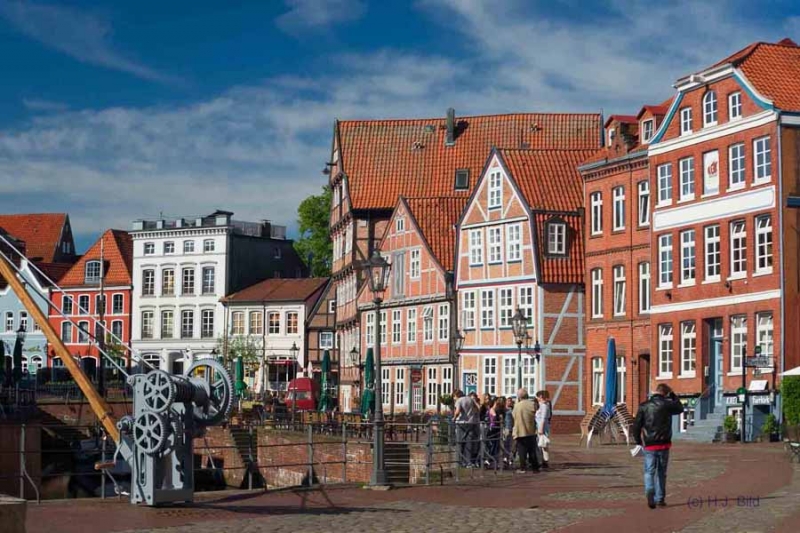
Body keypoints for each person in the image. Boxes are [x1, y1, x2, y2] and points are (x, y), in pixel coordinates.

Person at [632, 383, 684, 509]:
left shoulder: (644, 406)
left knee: (649, 471)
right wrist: (673, 395)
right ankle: (660, 499)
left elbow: (636, 425)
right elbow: (680, 408)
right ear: (665, 393)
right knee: (661, 472)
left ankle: (650, 490)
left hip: (649, 444)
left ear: (655, 392)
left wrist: (638, 441)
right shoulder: (667, 405)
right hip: (664, 444)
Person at [512, 388, 540, 473]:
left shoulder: (517, 405)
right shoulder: (532, 404)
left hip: (520, 430)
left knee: (522, 451)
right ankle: (535, 467)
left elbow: (514, 416)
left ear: (519, 397)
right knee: (532, 450)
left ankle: (522, 468)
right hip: (531, 430)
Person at [453, 389, 480, 467]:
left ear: (456, 395)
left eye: (454, 397)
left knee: (460, 442)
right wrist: (473, 414)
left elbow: (457, 411)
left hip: (461, 423)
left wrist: (454, 418)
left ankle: (460, 462)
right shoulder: (470, 399)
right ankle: (468, 462)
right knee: (469, 442)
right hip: (471, 422)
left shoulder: (459, 401)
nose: (454, 399)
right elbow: (478, 408)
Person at [485, 397, 504, 468]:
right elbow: (494, 418)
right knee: (493, 445)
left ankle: (493, 461)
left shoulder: (498, 410)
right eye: (496, 403)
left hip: (497, 429)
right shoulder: (492, 410)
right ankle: (489, 460)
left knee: (496, 445)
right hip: (493, 429)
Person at [535, 390, 551, 468]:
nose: (537, 398)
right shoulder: (541, 405)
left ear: (541, 397)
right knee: (540, 444)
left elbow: (543, 418)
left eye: (537, 396)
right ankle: (542, 460)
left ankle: (545, 461)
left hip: (542, 427)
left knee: (543, 444)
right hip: (540, 426)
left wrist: (541, 428)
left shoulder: (544, 405)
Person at [503, 396, 515, 468]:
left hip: (512, 428)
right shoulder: (504, 409)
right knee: (505, 443)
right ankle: (505, 458)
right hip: (506, 428)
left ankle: (510, 458)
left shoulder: (513, 409)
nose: (509, 402)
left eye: (510, 401)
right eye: (508, 401)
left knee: (511, 445)